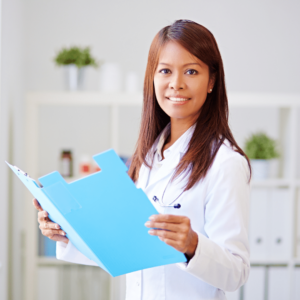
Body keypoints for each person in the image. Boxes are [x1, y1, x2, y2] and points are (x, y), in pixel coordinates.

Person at [33, 19, 251, 300]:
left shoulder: (225, 162)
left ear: (211, 81)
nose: (176, 84)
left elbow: (237, 272)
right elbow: (126, 246)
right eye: (165, 71)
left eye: (191, 71)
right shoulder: (148, 157)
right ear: (152, 78)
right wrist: (65, 233)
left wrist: (193, 245)